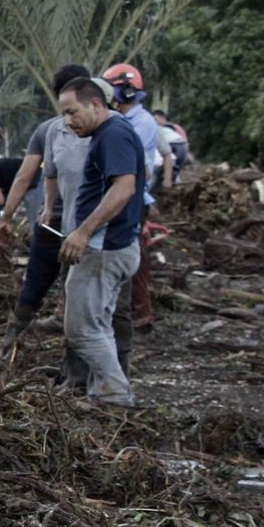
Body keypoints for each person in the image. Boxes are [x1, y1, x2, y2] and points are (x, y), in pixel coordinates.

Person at [56, 77, 147, 406]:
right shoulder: (112, 132)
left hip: (103, 249)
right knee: (98, 325)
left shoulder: (113, 135)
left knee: (81, 329)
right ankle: (105, 394)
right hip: (113, 247)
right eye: (64, 114)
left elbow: (123, 188)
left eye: (72, 112)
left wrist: (83, 231)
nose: (68, 121)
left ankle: (114, 396)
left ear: (96, 104)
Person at [0, 64, 93, 352]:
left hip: (58, 223)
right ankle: (75, 362)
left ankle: (7, 347)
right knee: (78, 294)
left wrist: (7, 217)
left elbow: (25, 176)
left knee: (34, 287)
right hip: (83, 226)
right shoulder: (107, 128)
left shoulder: (48, 129)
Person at [102, 63, 167, 332]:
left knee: (133, 253)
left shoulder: (141, 123)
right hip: (126, 194)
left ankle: (140, 313)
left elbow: (129, 166)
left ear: (125, 92)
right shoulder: (124, 121)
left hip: (131, 197)